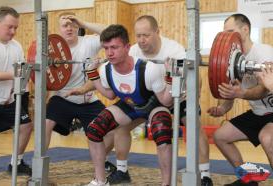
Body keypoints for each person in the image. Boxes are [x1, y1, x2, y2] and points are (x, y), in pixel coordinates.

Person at [105, 15, 213, 186]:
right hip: (152, 97)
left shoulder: (174, 50)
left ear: (157, 32)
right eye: (138, 35)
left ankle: (205, 175)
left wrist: (194, 98)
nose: (141, 40)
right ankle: (122, 170)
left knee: (194, 128)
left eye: (146, 35)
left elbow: (195, 75)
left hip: (179, 95)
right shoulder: (133, 51)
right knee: (121, 127)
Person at [84, 24, 173, 186]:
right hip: (129, 107)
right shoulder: (105, 70)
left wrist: (170, 76)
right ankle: (100, 180)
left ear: (127, 47)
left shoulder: (149, 69)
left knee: (162, 130)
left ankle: (166, 183)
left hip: (154, 106)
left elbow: (166, 100)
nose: (109, 53)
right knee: (94, 130)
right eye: (106, 48)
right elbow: (110, 95)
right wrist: (93, 74)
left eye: (114, 47)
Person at [45, 13, 116, 171]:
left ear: (78, 27)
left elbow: (112, 31)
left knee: (113, 129)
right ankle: (40, 165)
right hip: (62, 98)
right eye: (65, 25)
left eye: (73, 25)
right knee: (46, 123)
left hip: (87, 100)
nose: (69, 28)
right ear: (59, 29)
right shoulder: (51, 48)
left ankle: (100, 160)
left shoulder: (89, 42)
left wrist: (83, 21)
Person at [208, 13, 273, 186]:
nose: (227, 36)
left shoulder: (263, 52)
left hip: (272, 113)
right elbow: (233, 90)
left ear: (245, 30)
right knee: (220, 136)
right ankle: (250, 178)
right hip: (258, 113)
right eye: (224, 32)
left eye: (230, 31)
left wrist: (240, 94)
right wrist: (222, 109)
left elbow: (263, 90)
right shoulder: (231, 57)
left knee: (267, 138)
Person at [0, 6, 33, 176]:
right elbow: (14, 73)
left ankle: (15, 163)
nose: (13, 31)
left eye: (16, 27)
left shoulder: (16, 46)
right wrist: (13, 75)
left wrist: (26, 90)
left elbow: (22, 70)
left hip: (8, 101)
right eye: (9, 27)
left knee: (26, 126)